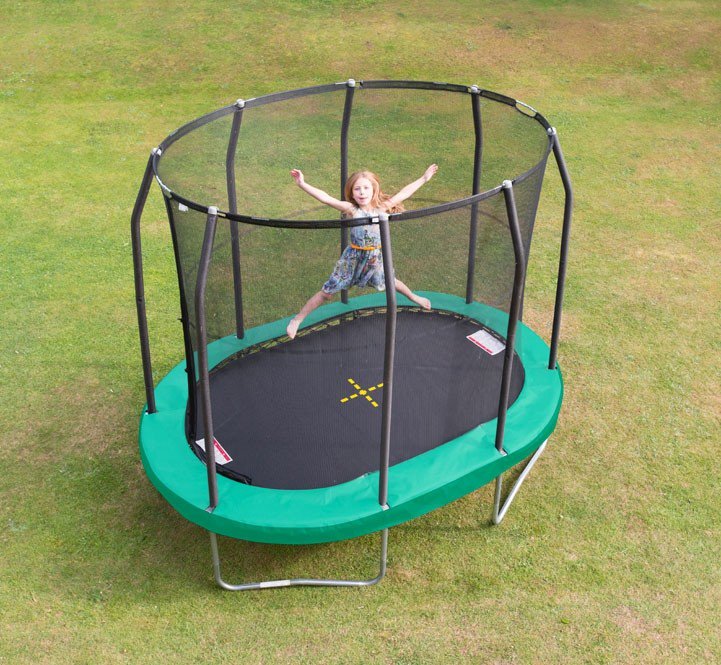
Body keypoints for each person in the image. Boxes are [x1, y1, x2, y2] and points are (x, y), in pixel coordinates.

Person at [286, 164, 438, 339]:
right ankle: (298, 319)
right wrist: (302, 184)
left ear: (374, 190)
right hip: (353, 258)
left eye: (366, 188)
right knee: (327, 293)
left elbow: (404, 193)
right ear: (352, 192)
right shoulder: (352, 210)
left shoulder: (381, 208)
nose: (362, 192)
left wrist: (424, 178)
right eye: (357, 189)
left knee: (391, 281)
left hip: (375, 257)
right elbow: (326, 198)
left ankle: (414, 297)